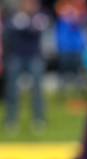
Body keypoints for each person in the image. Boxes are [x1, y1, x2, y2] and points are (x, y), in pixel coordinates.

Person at [2, 0, 49, 135]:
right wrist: (26, 26)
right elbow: (9, 31)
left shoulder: (41, 14)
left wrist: (25, 26)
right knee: (11, 89)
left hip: (34, 56)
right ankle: (11, 119)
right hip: (15, 55)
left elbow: (36, 29)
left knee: (37, 90)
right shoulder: (13, 15)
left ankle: (39, 119)